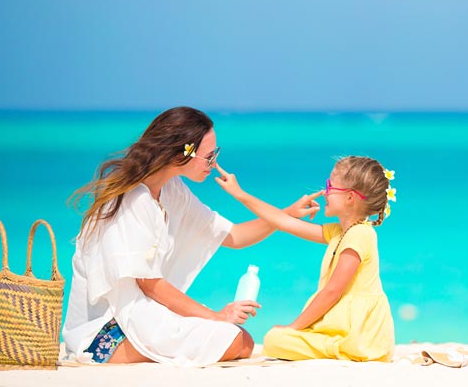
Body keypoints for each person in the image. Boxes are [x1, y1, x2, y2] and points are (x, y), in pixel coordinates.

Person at [62, 106, 319, 366]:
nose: (214, 163)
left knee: (242, 341)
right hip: (104, 333)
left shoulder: (172, 190)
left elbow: (234, 236)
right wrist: (216, 316)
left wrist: (287, 214)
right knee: (236, 341)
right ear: (180, 154)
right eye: (209, 156)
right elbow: (149, 284)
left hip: (140, 317)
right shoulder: (132, 199)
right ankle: (119, 355)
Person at [215, 155, 396, 361]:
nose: (324, 192)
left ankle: (346, 351)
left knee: (276, 339)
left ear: (349, 198)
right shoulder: (339, 232)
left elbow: (332, 291)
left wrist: (293, 327)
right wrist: (240, 195)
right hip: (343, 330)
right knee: (277, 339)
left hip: (360, 336)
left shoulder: (360, 234)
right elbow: (283, 222)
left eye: (330, 186)